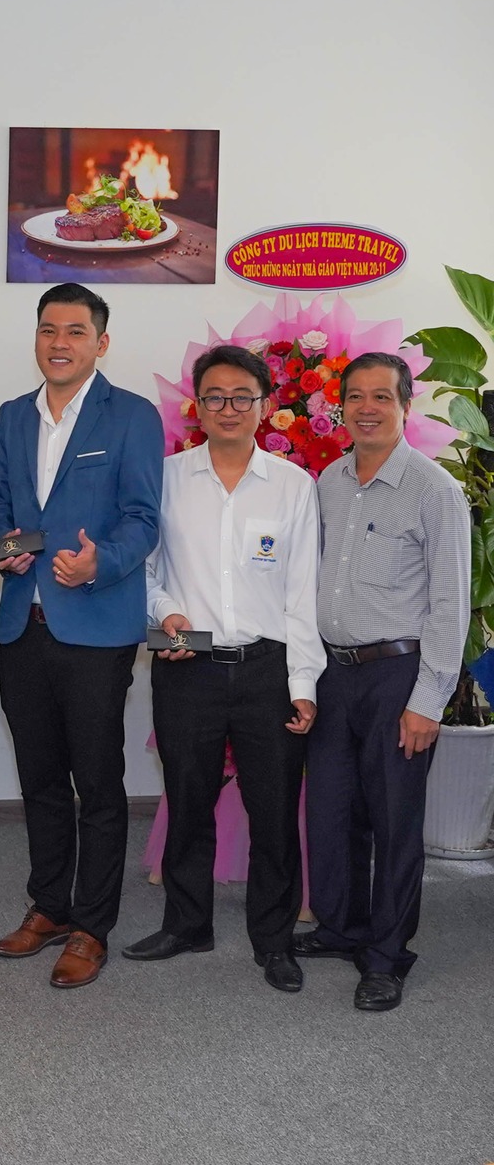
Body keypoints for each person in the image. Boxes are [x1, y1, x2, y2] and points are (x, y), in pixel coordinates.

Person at [0, 283, 162, 990]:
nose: (60, 343)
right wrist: (5, 549)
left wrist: (98, 564)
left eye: (76, 331)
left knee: (99, 783)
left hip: (96, 626)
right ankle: (50, 906)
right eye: (48, 329)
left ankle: (92, 925)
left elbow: (143, 519)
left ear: (101, 343)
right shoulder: (11, 415)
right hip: (22, 624)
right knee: (41, 780)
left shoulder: (133, 416)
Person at [127, 345, 323, 994]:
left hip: (268, 670)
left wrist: (303, 684)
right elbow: (144, 572)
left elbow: (302, 594)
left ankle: (275, 940)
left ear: (265, 405)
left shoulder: (293, 486)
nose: (229, 408)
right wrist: (166, 618)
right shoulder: (165, 478)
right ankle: (188, 924)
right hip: (190, 664)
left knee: (274, 811)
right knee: (188, 801)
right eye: (215, 396)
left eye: (243, 396)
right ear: (198, 406)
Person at [296, 352, 471, 1012]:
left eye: (381, 396)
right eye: (355, 396)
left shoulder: (434, 490)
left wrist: (428, 701)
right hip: (334, 673)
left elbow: (450, 604)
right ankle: (341, 928)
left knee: (395, 820)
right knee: (332, 810)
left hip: (399, 676)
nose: (366, 408)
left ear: (404, 405)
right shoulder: (328, 481)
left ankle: (387, 955)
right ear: (339, 405)